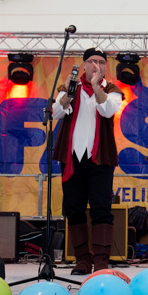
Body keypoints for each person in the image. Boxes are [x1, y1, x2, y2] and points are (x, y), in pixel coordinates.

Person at [51, 48, 122, 275]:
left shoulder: (111, 90)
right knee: (74, 209)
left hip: (100, 158)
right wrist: (69, 93)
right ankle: (82, 259)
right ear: (84, 64)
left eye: (101, 62)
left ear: (106, 67)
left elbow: (107, 110)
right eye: (92, 61)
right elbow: (56, 112)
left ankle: (100, 261)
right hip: (72, 158)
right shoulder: (69, 87)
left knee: (102, 209)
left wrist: (96, 85)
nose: (97, 66)